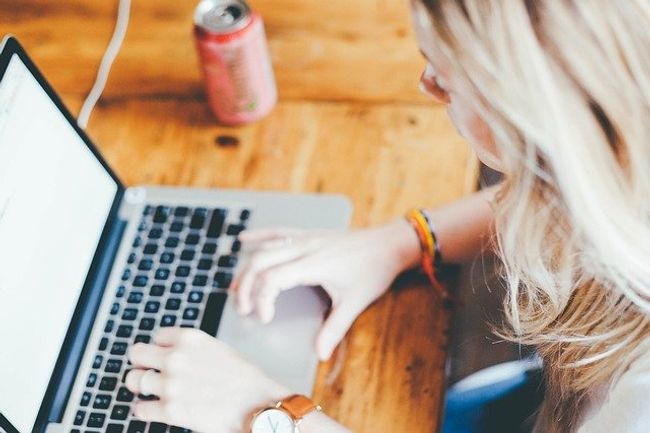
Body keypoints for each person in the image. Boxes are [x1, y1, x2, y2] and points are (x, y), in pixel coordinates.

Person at [123, 1, 650, 432]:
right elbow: (566, 193)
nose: (427, 86)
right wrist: (405, 241)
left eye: (446, 79)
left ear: (529, 120)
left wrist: (260, 412)